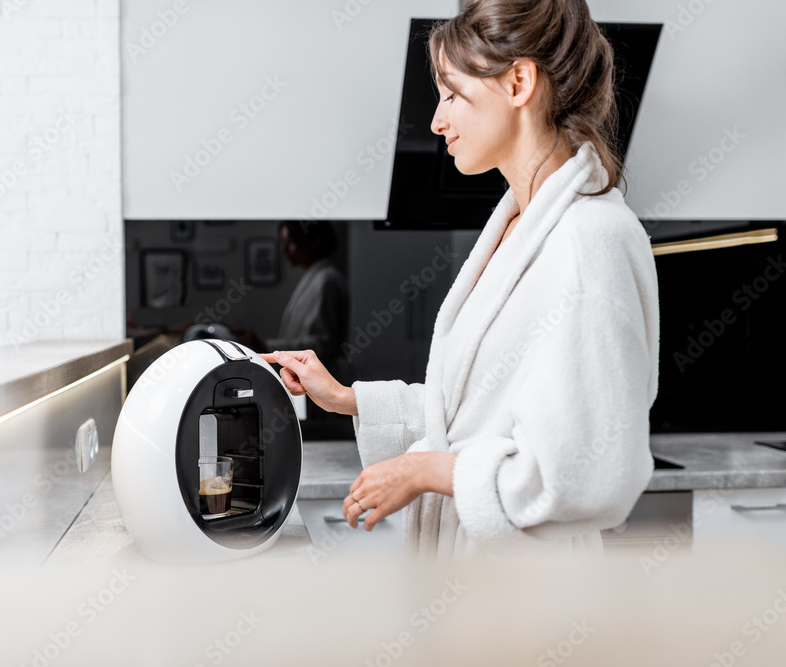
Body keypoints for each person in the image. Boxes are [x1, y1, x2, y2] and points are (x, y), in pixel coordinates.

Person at [261, 0, 660, 560]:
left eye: (451, 93)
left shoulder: (589, 239)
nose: (436, 120)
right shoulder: (519, 226)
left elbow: (590, 473)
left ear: (519, 81)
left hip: (532, 597)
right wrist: (349, 400)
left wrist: (428, 471)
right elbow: (482, 409)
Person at [235, 221, 351, 385]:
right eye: (284, 243)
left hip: (322, 378)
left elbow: (324, 344)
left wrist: (266, 345)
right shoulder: (316, 277)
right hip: (312, 378)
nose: (284, 250)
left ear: (315, 242)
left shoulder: (326, 280)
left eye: (292, 242)